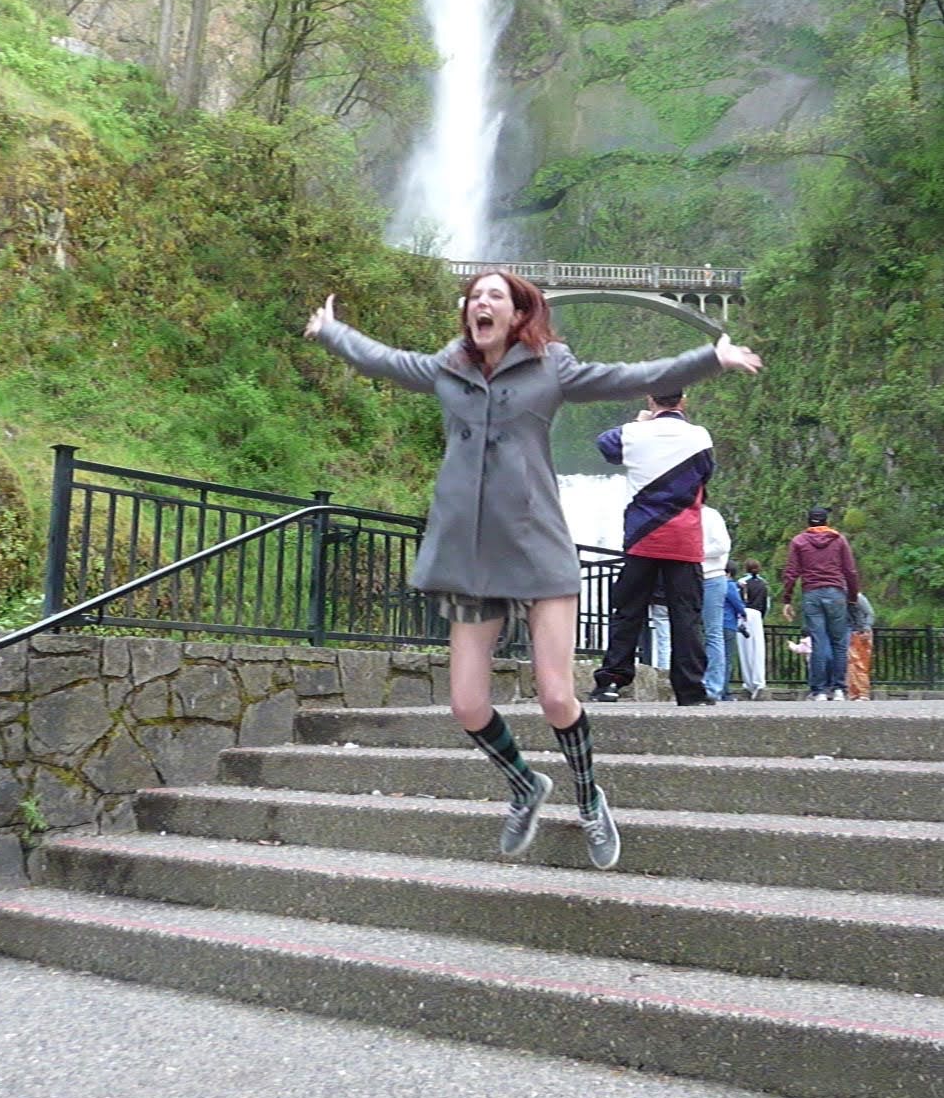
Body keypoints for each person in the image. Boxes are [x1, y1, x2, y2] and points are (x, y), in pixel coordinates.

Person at [305, 271, 762, 872]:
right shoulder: (448, 369)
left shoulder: (552, 368)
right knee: (467, 705)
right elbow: (386, 361)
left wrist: (710, 357)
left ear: (521, 312)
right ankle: (525, 785)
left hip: (538, 549)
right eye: (475, 297)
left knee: (555, 694)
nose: (481, 304)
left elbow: (631, 376)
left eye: (495, 296)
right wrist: (333, 332)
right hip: (470, 558)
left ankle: (587, 796)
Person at [590, 390, 716, 707]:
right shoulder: (699, 437)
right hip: (684, 540)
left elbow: (605, 445)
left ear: (650, 400)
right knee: (685, 616)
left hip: (642, 538)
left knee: (628, 611)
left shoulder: (632, 434)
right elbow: (705, 474)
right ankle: (690, 691)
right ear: (683, 400)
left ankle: (611, 682)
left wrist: (638, 422)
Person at [780, 506, 860, 701]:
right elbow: (850, 570)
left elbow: (791, 572)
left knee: (819, 641)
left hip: (812, 594)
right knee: (839, 642)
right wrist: (853, 597)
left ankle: (819, 690)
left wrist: (787, 599)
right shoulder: (839, 540)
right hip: (836, 593)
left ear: (808, 521)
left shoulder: (799, 541)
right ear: (827, 521)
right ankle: (839, 688)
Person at [700, 500, 732, 704]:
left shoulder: (711, 515)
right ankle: (692, 682)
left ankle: (712, 687)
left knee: (713, 633)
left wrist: (694, 551)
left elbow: (722, 545)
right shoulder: (678, 515)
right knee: (689, 633)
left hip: (712, 577)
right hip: (687, 577)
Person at [736, 559, 768, 699]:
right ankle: (759, 682)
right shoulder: (763, 584)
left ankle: (748, 683)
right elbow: (766, 605)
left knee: (745, 651)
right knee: (758, 650)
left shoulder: (741, 583)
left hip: (743, 614)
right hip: (757, 615)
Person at [721, 563, 747, 701]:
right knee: (727, 659)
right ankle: (724, 691)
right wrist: (744, 613)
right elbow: (737, 603)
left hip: (715, 623)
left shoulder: (714, 585)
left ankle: (713, 687)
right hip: (729, 624)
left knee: (715, 657)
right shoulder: (730, 585)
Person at [846, 591, 875, 701]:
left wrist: (866, 628)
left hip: (860, 631)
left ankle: (863, 693)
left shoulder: (857, 596)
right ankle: (853, 693)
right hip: (848, 632)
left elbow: (869, 613)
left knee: (860, 665)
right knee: (850, 665)